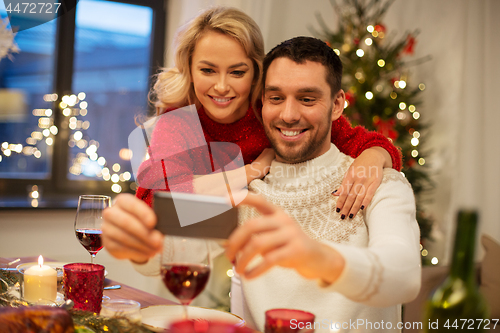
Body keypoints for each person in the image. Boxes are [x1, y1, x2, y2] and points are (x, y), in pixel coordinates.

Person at [222, 36, 421, 332]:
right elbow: (170, 251)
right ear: (262, 102)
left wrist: (317, 257)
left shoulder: (378, 182)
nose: (288, 115)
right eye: (276, 98)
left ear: (337, 104)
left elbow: (403, 277)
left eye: (307, 99)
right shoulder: (245, 187)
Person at [133, 6, 402, 219]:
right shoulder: (179, 118)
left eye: (237, 72)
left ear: (255, 73)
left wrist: (373, 157)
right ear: (189, 69)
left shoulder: (272, 109)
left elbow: (367, 142)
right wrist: (252, 171)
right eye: (207, 70)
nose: (222, 86)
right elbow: (151, 205)